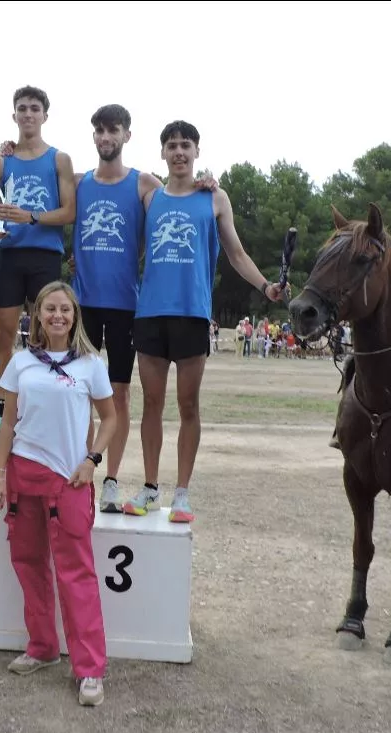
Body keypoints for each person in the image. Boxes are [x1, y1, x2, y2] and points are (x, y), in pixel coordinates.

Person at [121, 121, 286, 522]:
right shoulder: (149, 197)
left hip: (193, 313)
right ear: (162, 153)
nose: (179, 152)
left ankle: (181, 494)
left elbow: (236, 254)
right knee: (152, 405)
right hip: (151, 313)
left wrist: (266, 287)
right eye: (172, 146)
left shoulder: (215, 198)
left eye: (186, 146)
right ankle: (149, 489)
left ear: (196, 152)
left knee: (188, 405)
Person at [0, 280, 116, 708]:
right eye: (49, 310)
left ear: (75, 315)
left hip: (70, 479)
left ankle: (89, 668)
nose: (57, 316)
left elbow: (110, 420)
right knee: (29, 563)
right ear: (37, 316)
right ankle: (42, 646)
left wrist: (92, 460)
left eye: (65, 309)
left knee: (75, 572)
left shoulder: (91, 364)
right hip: (25, 474)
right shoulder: (21, 362)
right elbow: (8, 424)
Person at [0, 85, 77, 440]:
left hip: (46, 256)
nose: (29, 114)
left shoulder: (59, 159)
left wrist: (30, 216)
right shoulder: (2, 163)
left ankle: (45, 409)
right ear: (14, 115)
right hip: (10, 255)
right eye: (22, 108)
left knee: (48, 335)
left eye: (35, 108)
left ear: (45, 115)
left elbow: (69, 211)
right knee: (3, 336)